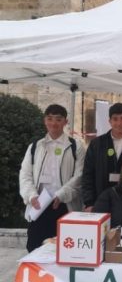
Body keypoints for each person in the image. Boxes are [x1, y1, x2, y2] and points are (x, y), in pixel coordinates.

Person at [18, 104, 85, 252]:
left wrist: (61, 194)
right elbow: (25, 174)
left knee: (65, 250)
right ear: (45, 121)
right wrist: (31, 196)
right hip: (38, 206)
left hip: (65, 206)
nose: (54, 123)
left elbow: (80, 176)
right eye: (50, 119)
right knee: (34, 248)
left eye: (58, 119)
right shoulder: (35, 146)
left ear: (65, 122)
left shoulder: (76, 147)